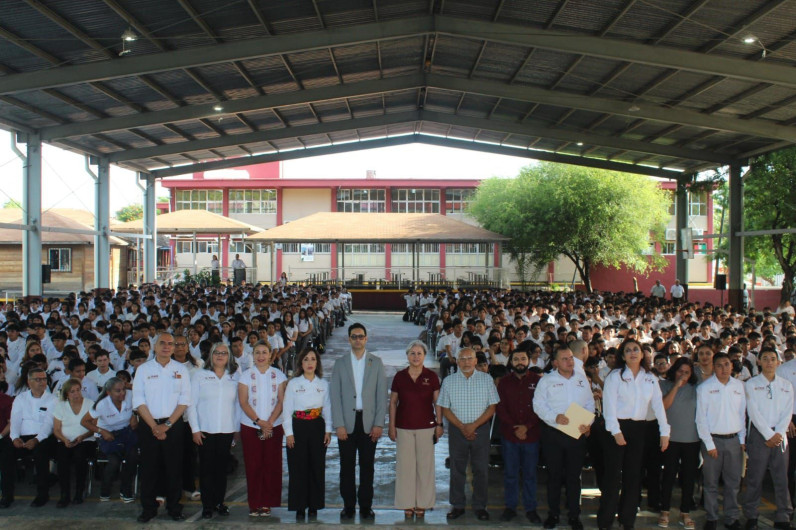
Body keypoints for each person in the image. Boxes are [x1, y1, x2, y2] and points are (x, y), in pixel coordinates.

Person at [598, 338, 670, 530]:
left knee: (633, 477)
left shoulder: (650, 378)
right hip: (616, 429)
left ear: (642, 353)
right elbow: (609, 407)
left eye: (636, 349)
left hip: (639, 429)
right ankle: (605, 521)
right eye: (628, 350)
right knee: (612, 477)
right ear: (622, 355)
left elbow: (658, 406)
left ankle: (627, 519)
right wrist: (616, 432)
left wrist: (665, 431)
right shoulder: (615, 376)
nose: (633, 353)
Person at [533, 344, 594, 530]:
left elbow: (590, 403)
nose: (569, 362)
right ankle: (553, 514)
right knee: (554, 476)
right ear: (555, 362)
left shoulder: (582, 380)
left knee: (574, 477)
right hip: (554, 434)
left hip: (576, 435)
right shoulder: (547, 380)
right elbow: (538, 405)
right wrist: (554, 417)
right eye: (565, 359)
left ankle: (574, 515)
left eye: (570, 358)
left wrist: (588, 423)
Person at [132, 332, 191, 523]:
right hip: (149, 425)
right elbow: (139, 400)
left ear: (174, 348)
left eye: (170, 344)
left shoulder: (181, 369)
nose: (167, 346)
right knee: (149, 468)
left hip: (173, 425)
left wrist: (165, 426)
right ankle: (148, 508)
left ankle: (174, 507)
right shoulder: (143, 369)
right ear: (154, 347)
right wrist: (154, 426)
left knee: (174, 468)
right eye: (162, 343)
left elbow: (184, 400)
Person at [330, 323, 387, 520]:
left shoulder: (376, 362)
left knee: (367, 466)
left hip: (369, 422)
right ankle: (348, 506)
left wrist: (379, 423)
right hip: (347, 422)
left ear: (366, 339)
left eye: (361, 336)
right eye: (354, 336)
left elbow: (382, 396)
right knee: (346, 467)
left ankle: (365, 506)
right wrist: (338, 424)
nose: (357, 339)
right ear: (349, 339)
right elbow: (334, 396)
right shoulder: (340, 363)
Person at [437, 347, 500, 522]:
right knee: (457, 470)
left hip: (480, 430)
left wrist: (473, 426)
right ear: (457, 361)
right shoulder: (449, 381)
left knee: (481, 470)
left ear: (475, 361)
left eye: (469, 358)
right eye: (462, 359)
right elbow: (444, 407)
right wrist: (462, 426)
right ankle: (457, 505)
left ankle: (480, 506)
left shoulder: (486, 380)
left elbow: (492, 407)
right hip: (458, 431)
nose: (465, 362)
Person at [388, 340, 442, 519]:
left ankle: (423, 503)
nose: (416, 356)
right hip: (403, 427)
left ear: (425, 356)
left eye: (419, 353)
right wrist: (391, 426)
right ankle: (407, 503)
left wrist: (439, 424)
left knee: (425, 467)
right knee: (405, 467)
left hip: (427, 428)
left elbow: (437, 403)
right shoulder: (400, 377)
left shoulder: (432, 377)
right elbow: (393, 403)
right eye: (412, 353)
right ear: (407, 356)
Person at [742, 348, 794, 530]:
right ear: (759, 362)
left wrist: (778, 433)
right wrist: (768, 434)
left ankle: (783, 514)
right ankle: (751, 514)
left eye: (773, 359)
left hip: (780, 436)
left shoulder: (786, 385)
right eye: (765, 359)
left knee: (781, 477)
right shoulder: (751, 384)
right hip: (759, 435)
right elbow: (753, 412)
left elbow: (788, 412)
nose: (769, 362)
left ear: (779, 362)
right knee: (755, 477)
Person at [187, 342, 239, 519]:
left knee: (221, 470)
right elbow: (191, 404)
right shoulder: (200, 375)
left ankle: (219, 502)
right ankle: (207, 505)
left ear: (229, 357)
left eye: (224, 353)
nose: (220, 356)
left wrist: (236, 430)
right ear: (211, 355)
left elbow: (238, 405)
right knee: (206, 470)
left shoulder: (234, 376)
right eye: (216, 352)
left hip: (226, 430)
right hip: (205, 431)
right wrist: (195, 429)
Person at [696, 352, 746, 530]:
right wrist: (709, 444)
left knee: (733, 483)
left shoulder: (739, 386)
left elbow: (741, 414)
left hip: (733, 440)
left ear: (732, 366)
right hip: (713, 441)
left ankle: (732, 517)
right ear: (714, 367)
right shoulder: (705, 388)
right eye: (719, 365)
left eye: (727, 364)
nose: (723, 368)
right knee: (711, 483)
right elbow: (700, 419)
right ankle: (711, 517)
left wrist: (742, 439)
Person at [238, 341, 286, 517]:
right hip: (251, 426)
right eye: (257, 352)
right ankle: (254, 503)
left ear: (270, 355)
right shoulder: (245, 376)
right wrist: (259, 421)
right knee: (253, 465)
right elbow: (243, 402)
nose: (261, 356)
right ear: (253, 355)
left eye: (264, 352)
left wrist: (270, 421)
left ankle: (267, 502)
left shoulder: (279, 375)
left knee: (271, 465)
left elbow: (281, 401)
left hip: (274, 426)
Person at [283, 348, 332, 520]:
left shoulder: (323, 384)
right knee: (298, 468)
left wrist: (328, 430)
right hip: (298, 427)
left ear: (317, 362)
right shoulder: (294, 384)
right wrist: (288, 433)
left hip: (317, 427)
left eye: (313, 359)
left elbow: (327, 409)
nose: (309, 363)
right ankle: (299, 506)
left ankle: (314, 505)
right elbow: (287, 409)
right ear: (300, 363)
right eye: (306, 359)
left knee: (316, 467)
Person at [496, 347, 542, 523]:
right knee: (510, 473)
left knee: (530, 474)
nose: (520, 362)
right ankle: (510, 507)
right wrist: (515, 427)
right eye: (516, 359)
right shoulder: (504, 382)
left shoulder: (538, 381)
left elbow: (541, 406)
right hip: (510, 435)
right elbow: (500, 408)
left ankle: (531, 509)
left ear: (528, 361)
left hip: (532, 435)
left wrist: (527, 426)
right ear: (511, 362)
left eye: (523, 359)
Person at [81, 377, 138, 504]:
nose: (122, 393)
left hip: (126, 432)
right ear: (109, 392)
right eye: (118, 391)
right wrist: (101, 431)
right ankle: (105, 490)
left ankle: (126, 490)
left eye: (123, 389)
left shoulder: (130, 396)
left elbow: (141, 399)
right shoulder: (101, 404)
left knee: (133, 457)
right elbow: (84, 421)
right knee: (114, 461)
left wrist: (135, 416)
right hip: (108, 435)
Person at [658, 357, 699, 530]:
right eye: (680, 371)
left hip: (692, 440)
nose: (683, 375)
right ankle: (665, 510)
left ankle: (685, 512)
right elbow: (664, 406)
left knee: (689, 477)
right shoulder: (664, 386)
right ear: (674, 371)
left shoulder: (696, 389)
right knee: (668, 476)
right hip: (671, 439)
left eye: (687, 372)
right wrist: (676, 386)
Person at [8, 367, 55, 507]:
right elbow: (15, 419)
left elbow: (49, 424)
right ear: (29, 382)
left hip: (43, 437)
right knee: (6, 451)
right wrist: (15, 437)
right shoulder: (20, 398)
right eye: (38, 379)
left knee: (41, 453)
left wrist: (36, 439)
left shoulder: (52, 399)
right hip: (22, 436)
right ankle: (7, 494)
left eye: (44, 379)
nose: (41, 382)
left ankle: (42, 494)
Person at [52, 378, 94, 507]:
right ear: (66, 394)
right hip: (65, 441)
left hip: (85, 439)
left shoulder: (90, 403)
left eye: (78, 390)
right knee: (62, 460)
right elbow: (56, 429)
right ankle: (65, 494)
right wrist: (64, 440)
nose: (76, 394)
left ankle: (79, 491)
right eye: (72, 392)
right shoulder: (60, 406)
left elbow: (94, 427)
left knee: (80, 457)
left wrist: (82, 436)